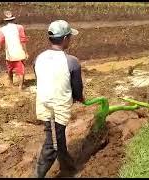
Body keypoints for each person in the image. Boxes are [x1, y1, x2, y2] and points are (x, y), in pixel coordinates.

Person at [32, 20, 84, 178]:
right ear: (65, 39)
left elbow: (40, 78)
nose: (70, 40)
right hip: (56, 110)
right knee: (53, 145)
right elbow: (77, 88)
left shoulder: (38, 58)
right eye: (70, 37)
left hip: (44, 104)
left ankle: (69, 168)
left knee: (57, 137)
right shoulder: (72, 62)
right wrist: (79, 98)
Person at [0, 11, 29, 90]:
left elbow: (0, 42)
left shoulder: (2, 29)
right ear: (13, 20)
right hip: (19, 52)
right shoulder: (20, 27)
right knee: (21, 70)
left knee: (10, 69)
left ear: (5, 21)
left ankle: (11, 84)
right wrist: (26, 52)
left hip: (9, 53)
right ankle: (20, 87)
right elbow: (23, 40)